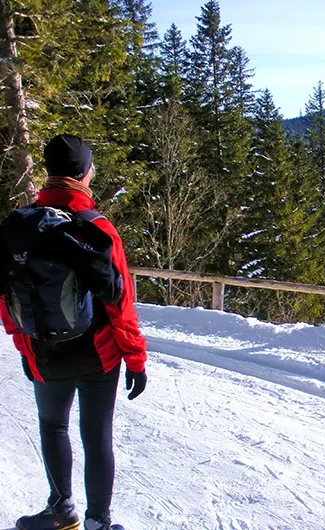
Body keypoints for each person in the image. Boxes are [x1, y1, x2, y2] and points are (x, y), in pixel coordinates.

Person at [0, 134, 147, 530]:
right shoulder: (96, 228)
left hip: (45, 352)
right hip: (99, 354)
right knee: (96, 434)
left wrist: (25, 351)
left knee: (53, 426)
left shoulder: (20, 228)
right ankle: (98, 521)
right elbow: (121, 303)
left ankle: (60, 510)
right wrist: (135, 358)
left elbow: (7, 303)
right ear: (84, 173)